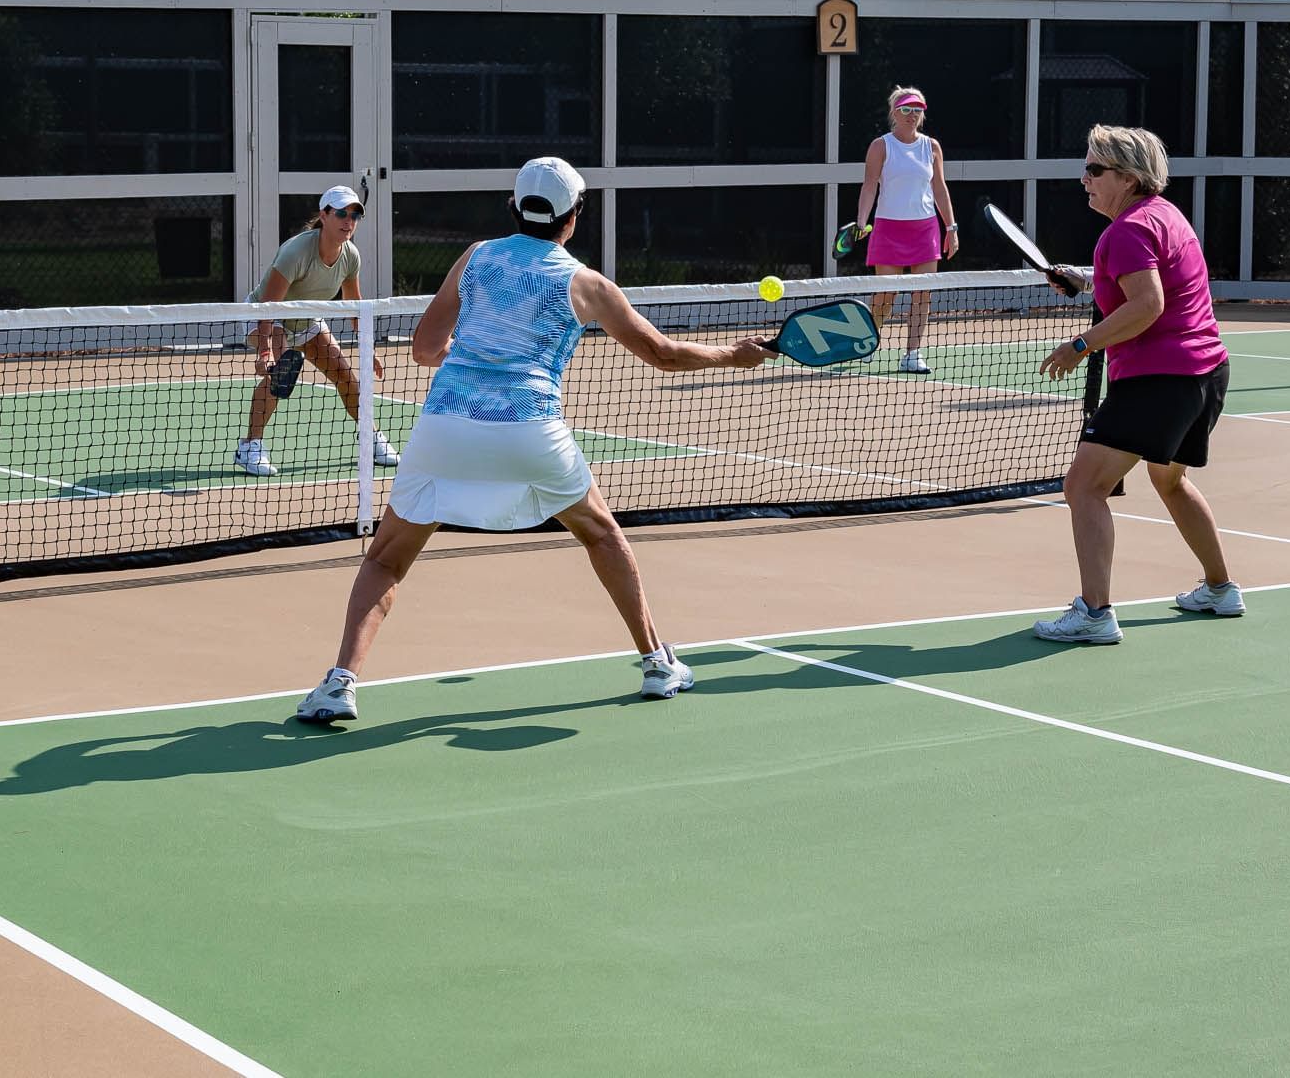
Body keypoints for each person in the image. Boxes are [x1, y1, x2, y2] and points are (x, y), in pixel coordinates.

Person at [294, 157, 770, 723]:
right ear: (573, 219)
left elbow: (424, 349)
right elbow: (663, 354)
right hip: (531, 430)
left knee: (387, 560)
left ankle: (339, 684)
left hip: (445, 425)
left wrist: (475, 363)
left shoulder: (475, 256)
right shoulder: (587, 284)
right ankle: (657, 663)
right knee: (601, 535)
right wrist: (733, 355)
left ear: (515, 208)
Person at [1033, 125, 1241, 645]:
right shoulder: (1164, 217)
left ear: (1127, 177)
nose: (1084, 179)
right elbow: (1144, 286)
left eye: (1095, 170)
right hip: (1206, 375)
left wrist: (1080, 345)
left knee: (1084, 487)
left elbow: (1148, 306)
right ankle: (1220, 589)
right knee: (1170, 481)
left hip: (1159, 381)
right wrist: (1085, 282)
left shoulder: (1124, 231)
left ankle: (1094, 615)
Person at [235, 183, 399, 476]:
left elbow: (354, 305)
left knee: (345, 375)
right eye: (341, 214)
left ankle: (370, 438)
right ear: (324, 216)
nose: (349, 221)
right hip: (270, 315)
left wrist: (367, 349)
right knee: (281, 374)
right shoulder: (296, 252)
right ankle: (250, 447)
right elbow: (270, 306)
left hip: (307, 320)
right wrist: (264, 351)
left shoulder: (350, 256)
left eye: (355, 216)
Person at [854, 86, 958, 373]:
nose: (912, 115)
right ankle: (868, 340)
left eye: (918, 110)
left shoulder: (931, 147)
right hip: (888, 229)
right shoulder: (881, 146)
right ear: (894, 112)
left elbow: (939, 187)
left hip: (925, 229)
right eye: (907, 109)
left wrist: (951, 227)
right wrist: (862, 221)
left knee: (922, 294)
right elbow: (869, 185)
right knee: (887, 295)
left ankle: (912, 354)